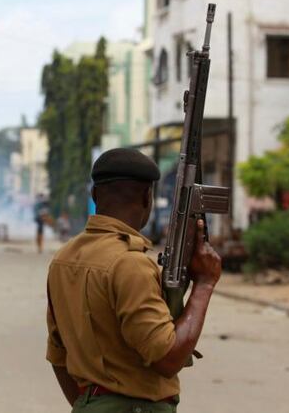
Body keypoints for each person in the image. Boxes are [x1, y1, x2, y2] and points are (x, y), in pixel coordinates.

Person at [45, 148, 222, 412]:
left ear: (95, 195)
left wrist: (92, 404)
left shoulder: (63, 259)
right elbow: (168, 359)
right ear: (146, 197)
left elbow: (59, 356)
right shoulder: (130, 263)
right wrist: (205, 284)